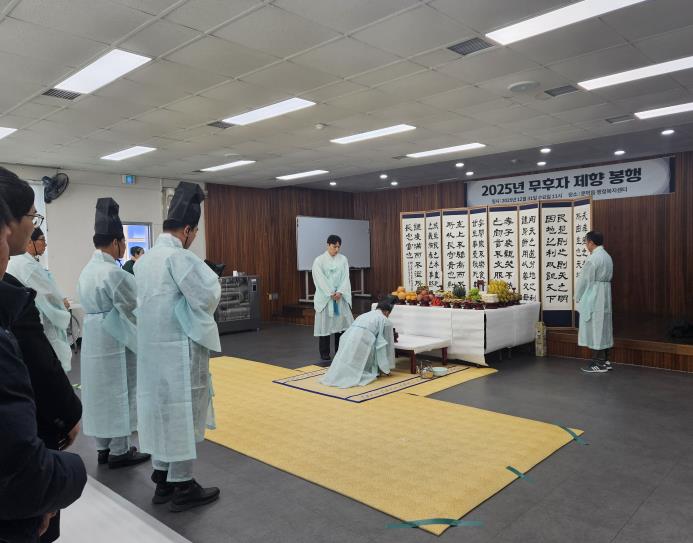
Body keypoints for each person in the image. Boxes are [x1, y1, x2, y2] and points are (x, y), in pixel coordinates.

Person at [0, 166, 83, 543]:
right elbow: (36, 350)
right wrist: (68, 414)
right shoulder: (18, 276)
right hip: (36, 418)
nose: (37, 232)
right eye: (33, 219)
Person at [135, 182, 221, 512]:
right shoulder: (179, 259)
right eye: (195, 232)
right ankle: (183, 484)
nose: (194, 238)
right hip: (180, 351)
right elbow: (206, 297)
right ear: (187, 230)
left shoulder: (144, 261)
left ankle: (162, 479)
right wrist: (212, 276)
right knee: (182, 413)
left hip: (152, 351)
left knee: (160, 412)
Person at [77, 198, 150, 469]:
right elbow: (133, 307)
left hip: (94, 337)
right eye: (124, 242)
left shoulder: (87, 271)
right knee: (121, 390)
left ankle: (103, 447)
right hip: (115, 336)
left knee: (98, 392)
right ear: (116, 242)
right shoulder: (113, 273)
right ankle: (120, 450)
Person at [7, 227, 73, 372]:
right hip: (36, 321)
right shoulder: (27, 265)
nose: (45, 244)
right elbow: (47, 293)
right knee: (49, 361)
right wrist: (62, 303)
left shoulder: (27, 262)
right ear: (30, 242)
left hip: (24, 322)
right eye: (42, 240)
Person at [320, 296, 396, 388]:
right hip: (363, 339)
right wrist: (387, 368)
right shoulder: (385, 320)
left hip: (347, 337)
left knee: (346, 359)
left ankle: (339, 374)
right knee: (365, 359)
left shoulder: (364, 315)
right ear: (387, 312)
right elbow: (387, 345)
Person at [576, 231, 614, 373]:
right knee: (604, 327)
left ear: (591, 242)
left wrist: (577, 296)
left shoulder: (593, 259)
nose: (586, 245)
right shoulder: (607, 257)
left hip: (594, 293)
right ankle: (606, 360)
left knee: (595, 328)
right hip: (605, 293)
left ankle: (598, 363)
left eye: (586, 242)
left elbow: (584, 280)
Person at [312, 234, 353, 363]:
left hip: (339, 297)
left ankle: (340, 351)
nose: (336, 249)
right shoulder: (319, 261)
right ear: (328, 245)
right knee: (325, 326)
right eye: (334, 246)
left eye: (338, 247)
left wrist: (340, 292)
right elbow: (319, 279)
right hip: (326, 298)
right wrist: (330, 293)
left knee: (340, 325)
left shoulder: (343, 259)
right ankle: (324, 353)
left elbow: (346, 277)